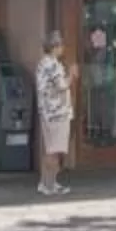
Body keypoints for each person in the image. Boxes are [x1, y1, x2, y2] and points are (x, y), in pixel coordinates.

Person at [34, 30, 74, 197]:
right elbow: (62, 85)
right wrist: (71, 75)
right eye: (60, 45)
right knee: (54, 150)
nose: (63, 48)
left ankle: (47, 182)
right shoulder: (52, 64)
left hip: (48, 112)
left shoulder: (43, 63)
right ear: (54, 47)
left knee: (51, 149)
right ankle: (48, 184)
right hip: (56, 112)